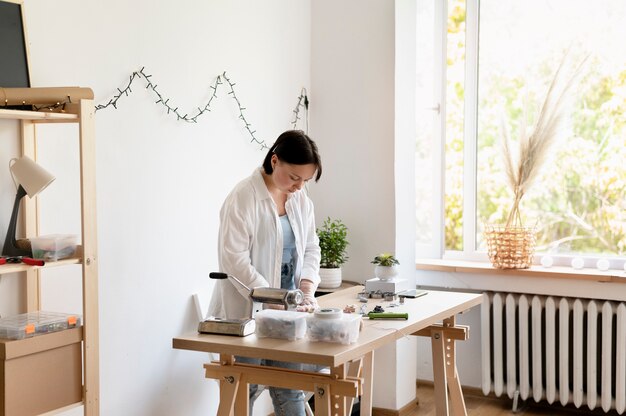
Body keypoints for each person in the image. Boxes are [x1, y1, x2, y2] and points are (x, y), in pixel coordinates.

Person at [208, 129, 323, 416]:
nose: (299, 186)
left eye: (305, 180)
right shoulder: (243, 197)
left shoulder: (300, 200)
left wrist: (307, 288)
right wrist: (271, 297)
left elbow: (311, 246)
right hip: (247, 311)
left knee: (289, 387)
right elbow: (234, 259)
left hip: (288, 311)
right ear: (275, 161)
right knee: (244, 387)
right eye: (295, 177)